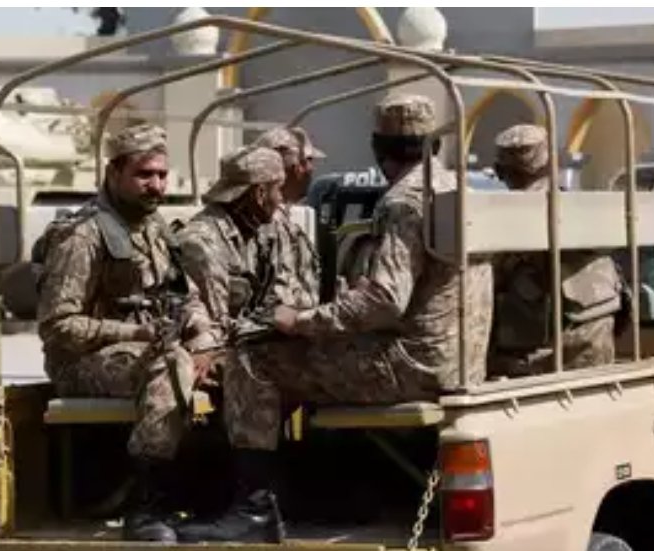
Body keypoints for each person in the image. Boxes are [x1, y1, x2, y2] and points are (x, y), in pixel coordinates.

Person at [175, 94, 495, 543]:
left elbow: (384, 299)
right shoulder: (458, 190)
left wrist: (301, 321)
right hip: (455, 358)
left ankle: (254, 511)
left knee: (253, 362)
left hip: (410, 363)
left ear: (377, 147)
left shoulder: (403, 202)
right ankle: (317, 489)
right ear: (435, 145)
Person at [34, 123, 214, 543]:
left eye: (162, 175)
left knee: (236, 361)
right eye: (144, 175)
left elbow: (185, 296)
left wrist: (204, 339)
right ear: (113, 173)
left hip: (150, 347)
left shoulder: (154, 229)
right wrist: (134, 332)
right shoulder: (83, 236)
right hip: (81, 362)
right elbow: (57, 326)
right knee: (169, 367)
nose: (157, 186)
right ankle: (146, 505)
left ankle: (227, 497)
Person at [489, 123, 623, 377]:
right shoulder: (585, 210)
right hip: (594, 338)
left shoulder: (504, 217)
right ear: (553, 163)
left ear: (500, 171)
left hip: (537, 355)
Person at [176, 146, 287, 350]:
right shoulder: (201, 244)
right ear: (260, 194)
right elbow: (214, 329)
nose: (281, 199)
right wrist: (276, 323)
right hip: (210, 352)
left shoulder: (255, 233)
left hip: (241, 347)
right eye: (279, 189)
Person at [253, 126, 325, 309]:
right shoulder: (269, 223)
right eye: (309, 161)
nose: (312, 168)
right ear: (297, 168)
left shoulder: (283, 218)